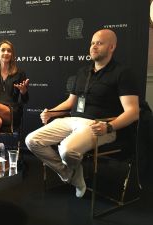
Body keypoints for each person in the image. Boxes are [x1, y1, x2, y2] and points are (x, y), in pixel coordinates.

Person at [25, 29, 139, 198]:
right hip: (73, 120)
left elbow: (133, 111)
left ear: (112, 47)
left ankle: (70, 174)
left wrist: (109, 127)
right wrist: (52, 112)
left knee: (66, 150)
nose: (94, 46)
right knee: (32, 140)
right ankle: (69, 174)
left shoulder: (122, 73)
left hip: (99, 124)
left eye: (99, 43)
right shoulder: (82, 72)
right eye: (92, 43)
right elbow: (71, 103)